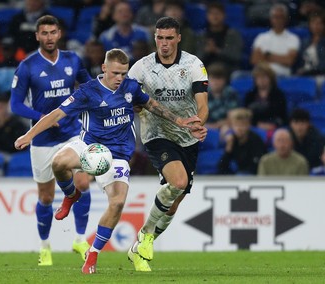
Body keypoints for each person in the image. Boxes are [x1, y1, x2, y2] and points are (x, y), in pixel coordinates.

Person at [14, 48, 206, 274]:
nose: (120, 79)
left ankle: (93, 253)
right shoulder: (88, 92)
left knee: (117, 203)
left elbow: (152, 105)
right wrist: (29, 135)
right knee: (58, 162)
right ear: (104, 68)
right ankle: (70, 195)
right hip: (90, 147)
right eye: (115, 73)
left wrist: (179, 121)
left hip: (117, 155)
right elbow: (56, 114)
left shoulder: (131, 88)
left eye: (123, 74)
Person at [126, 17, 209, 271]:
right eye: (160, 38)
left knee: (175, 201)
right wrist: (136, 105)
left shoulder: (194, 64)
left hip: (186, 137)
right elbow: (129, 100)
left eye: (169, 38)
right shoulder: (140, 68)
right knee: (179, 182)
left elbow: (203, 104)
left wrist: (198, 122)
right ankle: (146, 235)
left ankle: (140, 243)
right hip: (156, 133)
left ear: (179, 38)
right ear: (155, 38)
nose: (164, 44)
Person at [10, 15, 93, 266]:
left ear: (59, 34)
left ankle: (79, 239)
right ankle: (45, 246)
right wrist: (41, 117)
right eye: (44, 33)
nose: (49, 37)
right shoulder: (27, 66)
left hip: (71, 133)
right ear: (37, 36)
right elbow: (15, 104)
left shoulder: (72, 59)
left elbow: (88, 85)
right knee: (46, 197)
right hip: (43, 139)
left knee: (82, 182)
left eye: (53, 32)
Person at [250, 3, 300, 77]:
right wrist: (280, 58)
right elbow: (254, 59)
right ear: (271, 19)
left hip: (281, 75)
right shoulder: (261, 37)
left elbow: (289, 61)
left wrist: (267, 56)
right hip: (261, 74)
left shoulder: (293, 38)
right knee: (238, 75)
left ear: (286, 19)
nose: (278, 20)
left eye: (281, 17)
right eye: (275, 17)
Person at [195, 1, 243, 73]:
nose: (215, 16)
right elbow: (195, 59)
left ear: (224, 15)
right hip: (205, 70)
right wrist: (206, 51)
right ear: (207, 16)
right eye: (212, 13)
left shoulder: (233, 34)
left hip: (228, 70)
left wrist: (217, 51)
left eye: (217, 13)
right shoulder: (201, 35)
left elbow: (236, 56)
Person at [217, 108, 267, 175]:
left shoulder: (256, 140)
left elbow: (256, 166)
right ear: (232, 126)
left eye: (242, 125)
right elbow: (221, 167)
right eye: (236, 125)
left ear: (248, 125)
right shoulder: (232, 139)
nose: (239, 128)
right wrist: (229, 148)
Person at [244, 62, 288, 133]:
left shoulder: (278, 95)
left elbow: (280, 114)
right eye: (258, 77)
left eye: (264, 77)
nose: (261, 80)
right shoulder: (250, 95)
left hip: (274, 127)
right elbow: (246, 114)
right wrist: (257, 124)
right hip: (254, 126)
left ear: (271, 78)